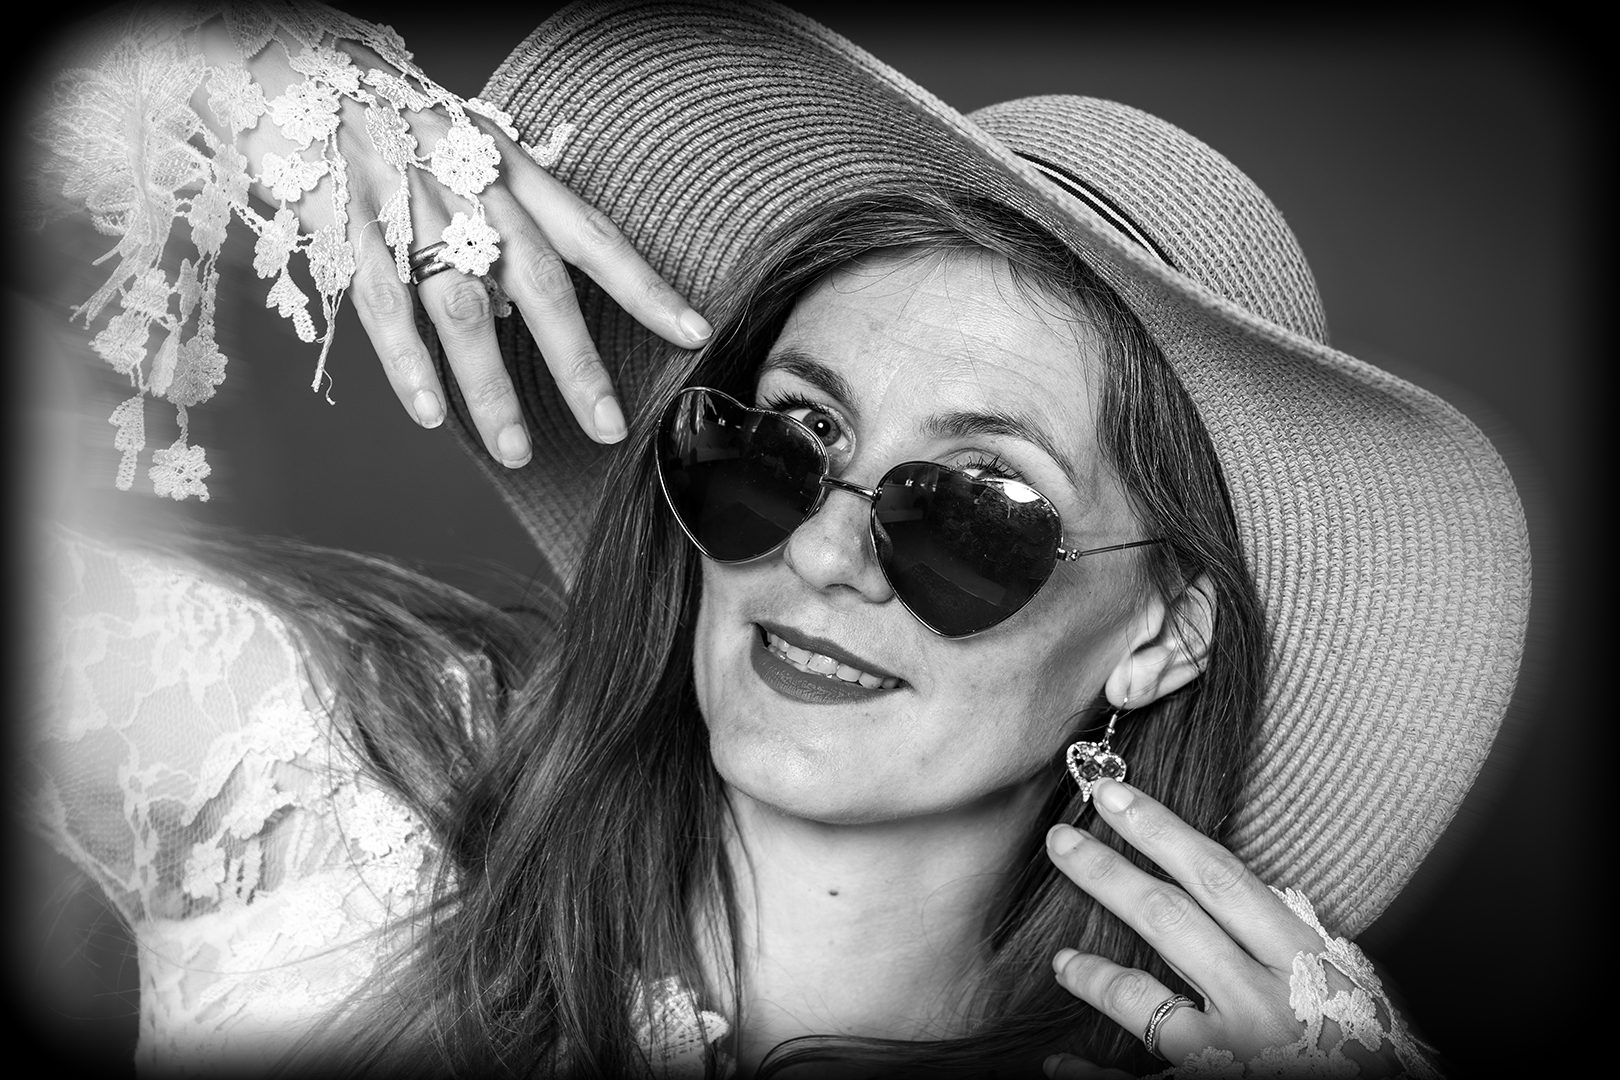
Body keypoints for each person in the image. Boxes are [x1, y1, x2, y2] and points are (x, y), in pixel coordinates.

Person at [18, 2, 1534, 1078]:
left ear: (1161, 636)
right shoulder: (327, 787)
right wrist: (253, 85)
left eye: (972, 509)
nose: (822, 557)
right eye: (789, 444)